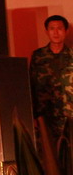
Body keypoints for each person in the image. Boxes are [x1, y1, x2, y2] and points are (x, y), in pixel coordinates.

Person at [29, 15, 73, 151]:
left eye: (59, 28)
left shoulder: (71, 55)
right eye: (52, 29)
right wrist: (33, 114)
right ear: (46, 31)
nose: (56, 32)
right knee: (49, 155)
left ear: (66, 31)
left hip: (70, 116)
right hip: (45, 116)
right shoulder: (38, 56)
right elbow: (31, 86)